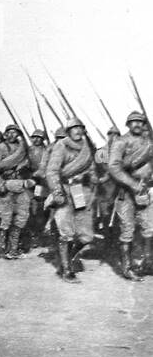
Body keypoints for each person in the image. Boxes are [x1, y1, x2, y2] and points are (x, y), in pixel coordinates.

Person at [46, 117, 95, 281]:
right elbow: (52, 171)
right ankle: (67, 270)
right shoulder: (62, 145)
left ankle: (64, 260)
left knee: (86, 236)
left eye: (80, 128)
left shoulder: (87, 148)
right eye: (74, 128)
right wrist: (58, 192)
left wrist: (93, 177)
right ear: (68, 131)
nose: (78, 131)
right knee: (66, 232)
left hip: (80, 191)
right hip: (65, 190)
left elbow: (93, 169)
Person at [106, 111, 153, 280]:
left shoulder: (148, 142)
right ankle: (127, 268)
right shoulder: (120, 142)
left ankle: (148, 264)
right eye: (133, 122)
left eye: (140, 122)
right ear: (127, 124)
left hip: (145, 191)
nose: (137, 124)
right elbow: (113, 167)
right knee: (127, 229)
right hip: (126, 192)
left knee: (149, 228)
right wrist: (133, 184)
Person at [0, 125, 32, 260]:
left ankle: (13, 249)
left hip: (20, 185)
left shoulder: (23, 148)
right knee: (6, 218)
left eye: (15, 132)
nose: (12, 135)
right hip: (5, 185)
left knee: (21, 217)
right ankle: (2, 249)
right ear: (5, 134)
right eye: (9, 132)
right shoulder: (1, 148)